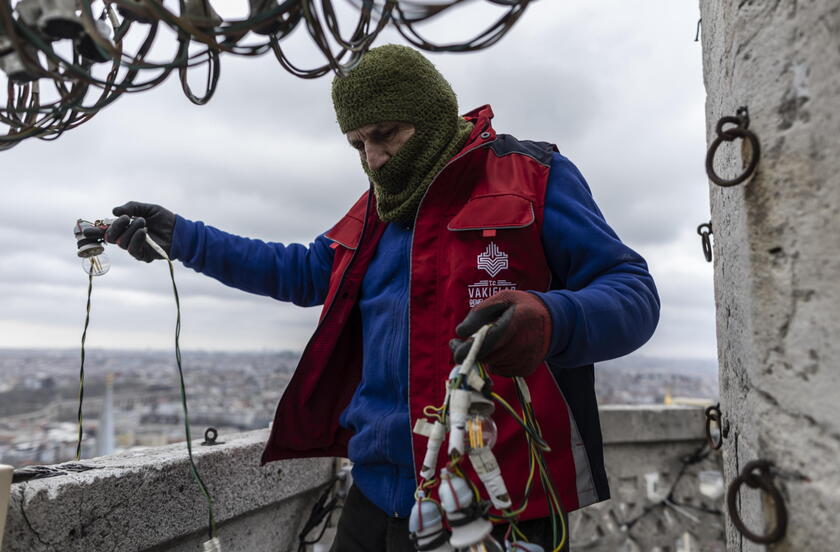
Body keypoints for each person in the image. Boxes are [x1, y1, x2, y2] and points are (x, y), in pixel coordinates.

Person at [93, 45, 660, 551]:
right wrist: (183, 237)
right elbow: (298, 270)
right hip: (376, 494)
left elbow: (634, 292)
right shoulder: (375, 213)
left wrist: (552, 319)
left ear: (431, 115)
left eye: (386, 134)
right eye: (358, 143)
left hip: (497, 505)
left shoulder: (533, 177)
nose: (374, 159)